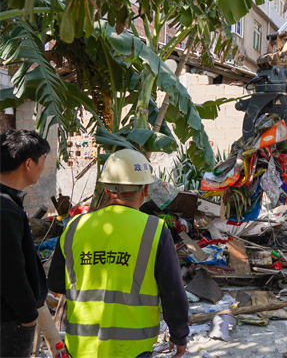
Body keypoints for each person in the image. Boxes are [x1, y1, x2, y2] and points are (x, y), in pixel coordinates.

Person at [48, 149, 189, 358]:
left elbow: (56, 284)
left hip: (82, 346)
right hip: (133, 348)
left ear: (106, 188)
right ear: (146, 190)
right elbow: (173, 293)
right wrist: (179, 335)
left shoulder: (75, 226)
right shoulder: (154, 230)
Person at [1, 129, 50, 358]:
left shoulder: (8, 202)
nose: (43, 167)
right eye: (43, 161)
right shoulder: (4, 209)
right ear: (28, 163)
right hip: (9, 320)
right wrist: (28, 315)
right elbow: (9, 270)